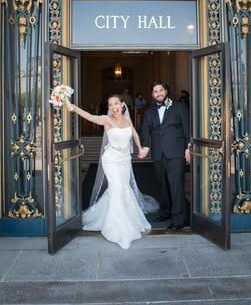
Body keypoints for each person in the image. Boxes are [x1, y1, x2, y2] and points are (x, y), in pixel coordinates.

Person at [65, 95, 158, 249]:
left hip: (125, 160)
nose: (114, 107)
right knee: (117, 189)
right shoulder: (107, 120)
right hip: (111, 159)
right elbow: (89, 116)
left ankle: (125, 219)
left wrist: (140, 148)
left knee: (123, 189)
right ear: (109, 107)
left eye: (116, 103)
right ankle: (117, 229)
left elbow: (134, 134)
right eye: (110, 105)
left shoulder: (128, 120)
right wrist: (73, 107)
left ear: (122, 105)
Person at [141, 81, 190, 231]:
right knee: (163, 186)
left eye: (160, 90)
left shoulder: (179, 106)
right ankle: (166, 212)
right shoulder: (149, 111)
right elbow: (145, 130)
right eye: (155, 92)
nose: (158, 94)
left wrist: (188, 148)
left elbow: (187, 128)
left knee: (176, 186)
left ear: (166, 90)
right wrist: (145, 147)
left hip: (176, 152)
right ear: (152, 94)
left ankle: (179, 218)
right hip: (158, 153)